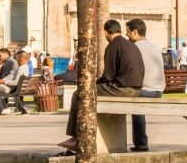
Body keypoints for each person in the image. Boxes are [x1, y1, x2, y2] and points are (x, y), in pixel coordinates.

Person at [56, 21, 143, 154]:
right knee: (87, 92)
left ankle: (75, 135)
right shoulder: (130, 45)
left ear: (105, 32)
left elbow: (108, 76)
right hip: (136, 90)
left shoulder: (113, 46)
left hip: (122, 90)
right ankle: (78, 134)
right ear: (119, 30)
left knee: (79, 94)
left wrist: (91, 85)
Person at [126, 19, 166, 152]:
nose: (127, 35)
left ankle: (141, 144)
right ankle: (140, 142)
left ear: (134, 32)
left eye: (128, 32)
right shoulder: (154, 46)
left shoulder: (135, 47)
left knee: (136, 108)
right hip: (159, 90)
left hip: (146, 90)